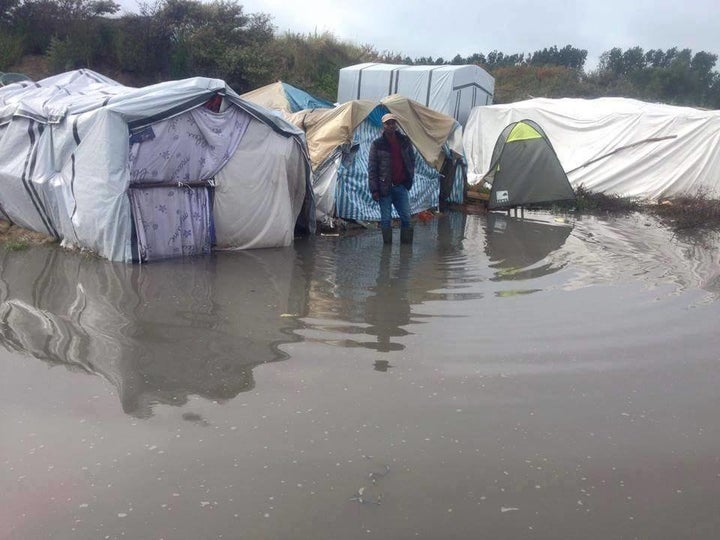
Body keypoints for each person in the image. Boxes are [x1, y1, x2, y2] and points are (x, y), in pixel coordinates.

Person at [368, 113, 415, 245]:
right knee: (386, 220)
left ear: (396, 125)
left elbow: (412, 160)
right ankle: (387, 250)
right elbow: (372, 169)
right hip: (385, 188)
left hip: (401, 186)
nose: (391, 125)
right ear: (383, 126)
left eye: (393, 123)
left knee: (406, 217)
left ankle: (406, 252)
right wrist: (374, 190)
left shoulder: (404, 141)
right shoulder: (377, 144)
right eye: (388, 123)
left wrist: (409, 179)